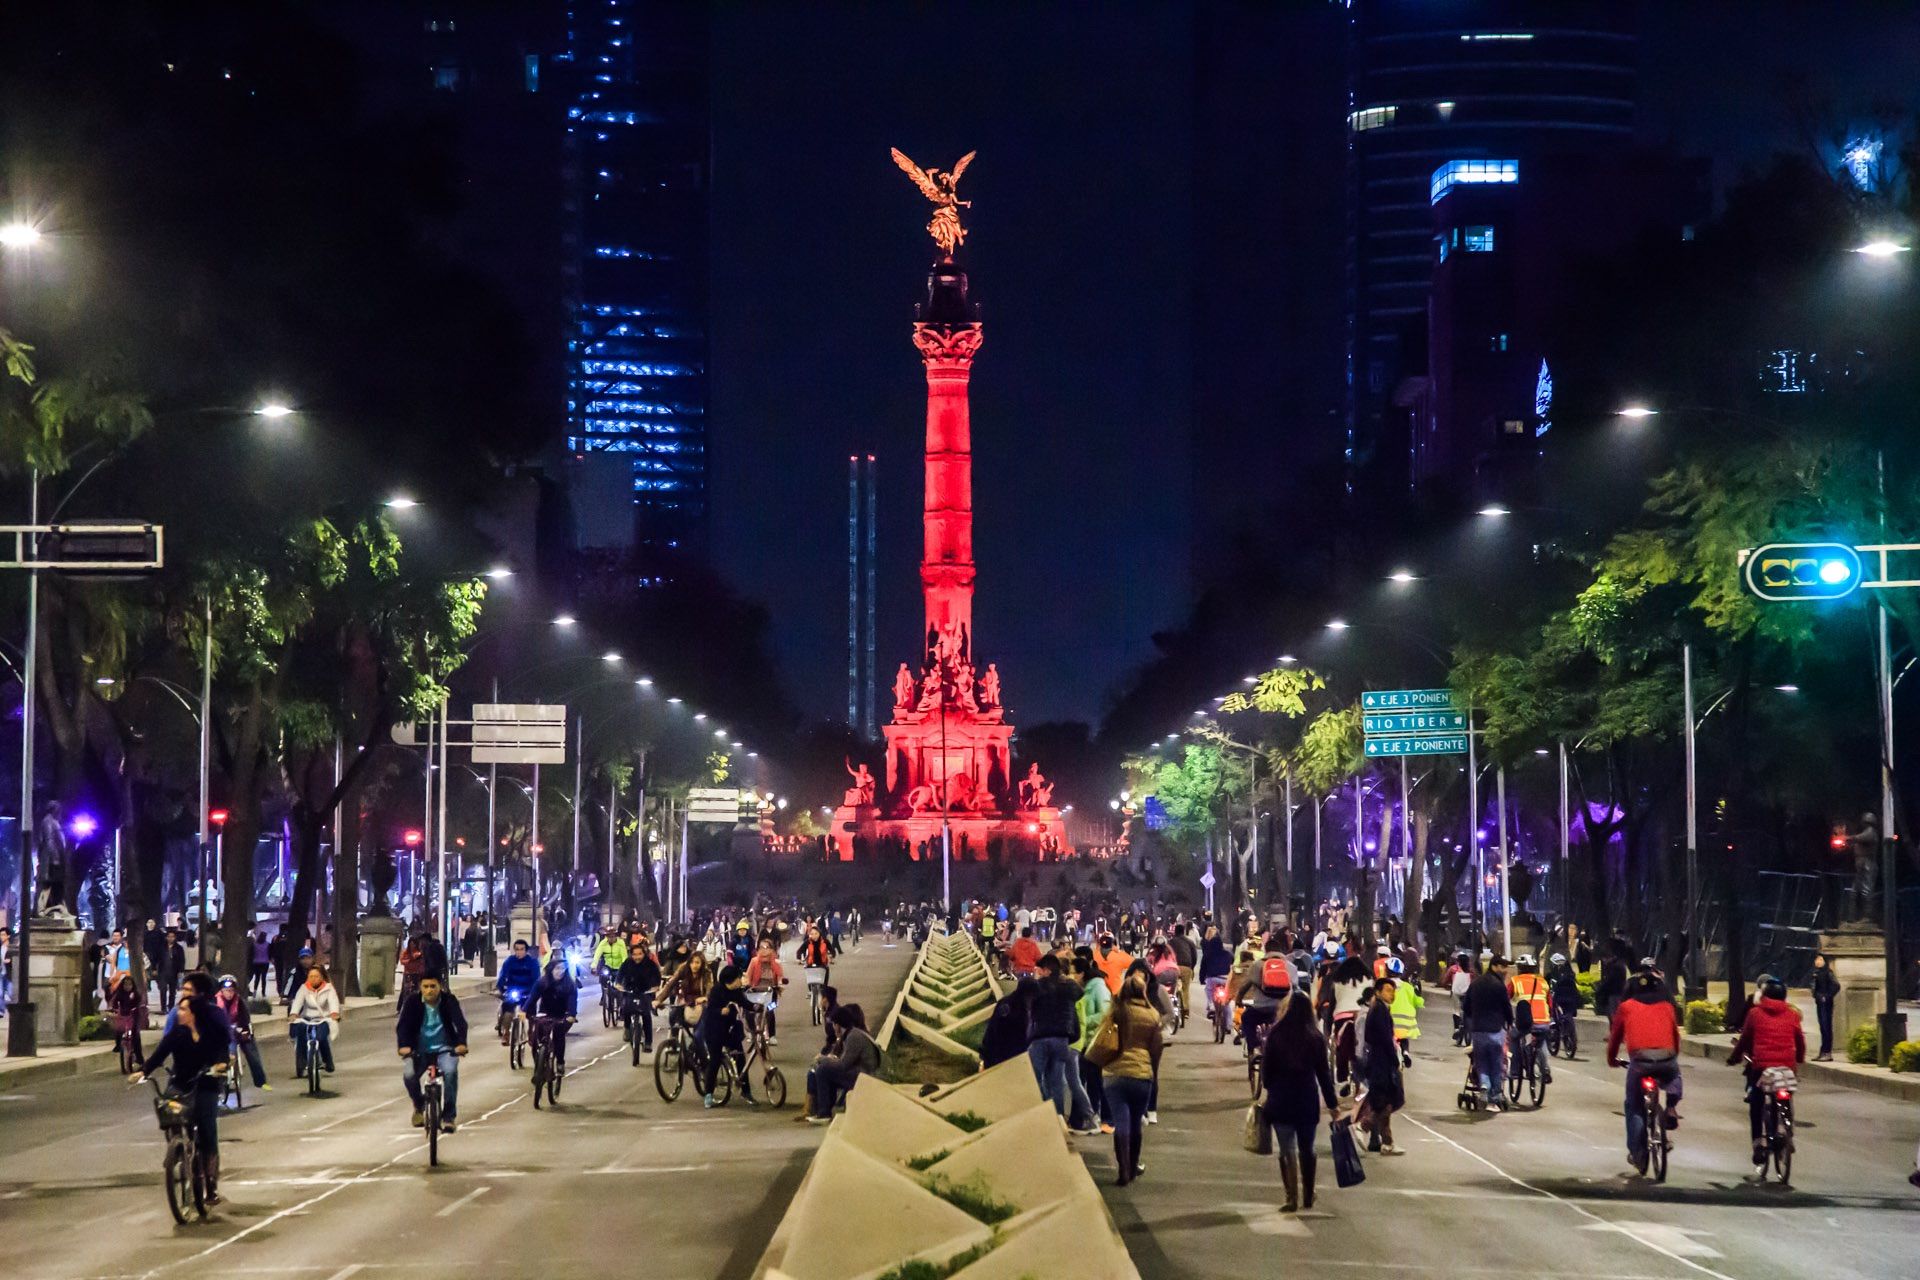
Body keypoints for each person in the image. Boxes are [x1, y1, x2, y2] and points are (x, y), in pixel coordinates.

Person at [132, 992, 231, 1205]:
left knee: (207, 1131)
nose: (180, 1013)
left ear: (194, 1013)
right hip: (180, 1083)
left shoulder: (212, 1032)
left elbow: (223, 1053)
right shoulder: (177, 1034)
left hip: (205, 1084)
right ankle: (179, 1149)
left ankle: (210, 1184)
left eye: (184, 1009)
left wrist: (221, 1065)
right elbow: (159, 1055)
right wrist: (143, 1072)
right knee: (170, 1111)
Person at [1261, 992, 1341, 1212]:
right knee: (1307, 1148)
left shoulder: (1275, 1034)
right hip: (1306, 1100)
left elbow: (1266, 1073)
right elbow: (1324, 1075)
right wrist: (1333, 1105)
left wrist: (1272, 1088)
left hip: (1281, 1100)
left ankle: (1291, 1197)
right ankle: (1308, 1194)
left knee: (1287, 1149)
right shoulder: (1315, 1037)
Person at [1606, 967, 1683, 1171]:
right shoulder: (1667, 1007)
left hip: (1639, 1062)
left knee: (1633, 1105)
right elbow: (1676, 1038)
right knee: (1675, 1073)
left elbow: (1615, 1038)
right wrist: (1672, 1054)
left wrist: (1612, 1059)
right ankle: (1672, 1106)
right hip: (1666, 1058)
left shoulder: (1626, 1007)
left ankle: (1638, 1152)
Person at [1727, 974, 1806, 1169]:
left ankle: (1758, 1144)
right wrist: (1799, 1059)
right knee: (1786, 1096)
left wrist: (1735, 1057)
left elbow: (1745, 1040)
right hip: (1787, 1066)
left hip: (1762, 1066)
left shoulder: (1755, 1014)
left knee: (1756, 1103)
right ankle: (1784, 1129)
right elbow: (1800, 1042)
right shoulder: (1792, 1014)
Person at [1098, 971, 1164, 1187]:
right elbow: (1156, 1049)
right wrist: (1152, 1072)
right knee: (1136, 1123)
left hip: (1114, 1075)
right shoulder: (1152, 1015)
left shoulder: (1116, 1011)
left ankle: (1123, 1169)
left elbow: (1103, 1035)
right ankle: (1134, 1166)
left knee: (1121, 1122)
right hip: (1141, 1075)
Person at [1028, 954, 1096, 1133]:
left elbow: (1029, 1002)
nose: (1038, 973)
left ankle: (1045, 1108)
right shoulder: (1069, 986)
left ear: (1047, 970)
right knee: (1056, 1079)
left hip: (1041, 1037)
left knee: (1036, 1077)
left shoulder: (1039, 986)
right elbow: (1079, 993)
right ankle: (1058, 1118)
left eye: (1040, 970)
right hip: (1062, 1038)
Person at [397, 974, 469, 1132]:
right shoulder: (412, 1002)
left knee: (450, 1072)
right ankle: (419, 1105)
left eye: (433, 986)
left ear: (440, 986)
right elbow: (402, 1026)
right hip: (419, 1051)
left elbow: (460, 1023)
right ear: (420, 988)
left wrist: (461, 1043)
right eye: (426, 987)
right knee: (409, 1075)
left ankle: (448, 1117)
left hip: (445, 1049)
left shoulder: (449, 1001)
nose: (429, 990)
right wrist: (404, 1046)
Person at [1354, 976, 1406, 1154]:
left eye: (1393, 991)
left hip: (1379, 1060)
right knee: (1387, 1100)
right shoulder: (1379, 1011)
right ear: (1377, 992)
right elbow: (1384, 1038)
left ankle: (1387, 1142)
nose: (1391, 994)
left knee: (1385, 1101)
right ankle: (1363, 1126)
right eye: (1388, 990)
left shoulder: (1380, 1009)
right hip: (1381, 1062)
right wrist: (1394, 1059)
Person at [803, 1003, 880, 1122]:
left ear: (838, 1025)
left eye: (834, 1024)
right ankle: (823, 1110)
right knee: (827, 1070)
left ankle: (824, 1114)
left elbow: (844, 1064)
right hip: (863, 1072)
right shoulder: (851, 1034)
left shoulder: (854, 1037)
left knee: (823, 1069)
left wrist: (824, 1059)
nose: (833, 1028)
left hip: (866, 1076)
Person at [1461, 954, 1513, 1112]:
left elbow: (1466, 1006)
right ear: (1495, 966)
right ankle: (1494, 1099)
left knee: (1481, 1061)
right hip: (1495, 1030)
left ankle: (1484, 1084)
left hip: (1478, 1030)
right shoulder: (1499, 986)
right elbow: (1506, 1007)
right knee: (1496, 1065)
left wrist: (1472, 1020)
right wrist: (1510, 1022)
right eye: (1503, 967)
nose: (1505, 970)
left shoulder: (1476, 983)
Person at [695, 963, 750, 1108]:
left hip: (730, 1029)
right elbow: (710, 1009)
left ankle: (746, 1091)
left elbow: (745, 1003)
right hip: (714, 1030)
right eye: (739, 978)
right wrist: (720, 1011)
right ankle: (708, 1095)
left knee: (740, 1057)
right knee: (715, 1060)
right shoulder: (716, 991)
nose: (741, 980)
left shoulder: (737, 991)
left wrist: (757, 1006)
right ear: (731, 980)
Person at [1073, 955, 1113, 1134]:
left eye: (1073, 972)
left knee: (1095, 1081)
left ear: (1082, 974)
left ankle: (1101, 1118)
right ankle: (1091, 1116)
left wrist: (1081, 1020)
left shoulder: (1098, 988)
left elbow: (1104, 1014)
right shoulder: (1086, 989)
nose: (1071, 976)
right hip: (1086, 1042)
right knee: (1089, 1080)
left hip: (1096, 1042)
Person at [215, 976, 268, 1091]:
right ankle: (220, 1083)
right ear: (221, 991)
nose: (229, 993)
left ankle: (260, 1081)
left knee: (252, 1052)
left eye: (231, 990)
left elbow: (245, 1019)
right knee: (226, 1054)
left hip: (238, 1030)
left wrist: (245, 1031)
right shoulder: (215, 1002)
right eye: (226, 990)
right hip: (224, 1033)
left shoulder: (239, 1002)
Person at [1507, 953, 1554, 1084]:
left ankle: (1515, 1071)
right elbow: (1550, 1003)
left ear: (1520, 968)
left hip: (1526, 1022)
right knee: (1542, 1040)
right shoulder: (1542, 982)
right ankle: (1545, 1069)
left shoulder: (1515, 981)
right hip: (1544, 1021)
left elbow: (1504, 1000)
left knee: (1513, 1037)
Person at [288, 964, 342, 1077]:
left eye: (316, 976)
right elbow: (298, 1001)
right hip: (307, 1018)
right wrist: (294, 1014)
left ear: (322, 977)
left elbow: (333, 1002)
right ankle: (301, 1063)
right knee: (301, 1035)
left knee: (321, 1038)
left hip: (323, 1019)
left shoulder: (329, 988)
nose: (313, 978)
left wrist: (334, 1013)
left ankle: (328, 1061)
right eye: (311, 976)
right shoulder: (304, 988)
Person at [530, 955, 579, 1075]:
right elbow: (532, 998)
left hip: (561, 1014)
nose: (560, 971)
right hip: (545, 1012)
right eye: (557, 969)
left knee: (559, 1036)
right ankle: (539, 1064)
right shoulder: (542, 982)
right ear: (551, 970)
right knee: (537, 1037)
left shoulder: (570, 985)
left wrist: (571, 1015)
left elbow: (572, 1002)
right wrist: (524, 1011)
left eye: (562, 969)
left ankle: (560, 1062)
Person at [617, 936, 663, 1053]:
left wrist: (655, 986)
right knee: (626, 1008)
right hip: (630, 990)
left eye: (640, 954)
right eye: (635, 954)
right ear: (631, 955)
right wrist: (618, 984)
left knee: (646, 1015)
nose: (637, 957)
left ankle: (648, 1042)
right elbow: (620, 974)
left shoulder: (650, 964)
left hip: (646, 991)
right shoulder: (627, 963)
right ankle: (627, 1028)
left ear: (644, 954)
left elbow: (656, 976)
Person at [980, 978, 1035, 1068]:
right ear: (1027, 994)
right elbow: (1013, 1035)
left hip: (995, 1053)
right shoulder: (1015, 1009)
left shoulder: (1008, 1003)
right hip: (1001, 1056)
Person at [496, 938, 541, 1041]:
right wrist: (500, 988)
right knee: (507, 1010)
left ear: (526, 950)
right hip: (513, 991)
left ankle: (531, 1031)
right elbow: (503, 975)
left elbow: (536, 979)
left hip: (527, 991)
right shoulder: (510, 961)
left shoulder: (532, 962)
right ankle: (506, 1033)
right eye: (517, 949)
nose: (519, 952)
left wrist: (534, 992)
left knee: (531, 1013)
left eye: (522, 949)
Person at [746, 935, 786, 1044]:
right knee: (749, 1011)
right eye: (761, 947)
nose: (764, 950)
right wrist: (747, 985)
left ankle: (772, 1035)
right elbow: (748, 977)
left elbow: (780, 978)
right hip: (755, 992)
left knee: (771, 1011)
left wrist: (780, 985)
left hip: (771, 992)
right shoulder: (754, 961)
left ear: (772, 949)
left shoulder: (776, 963)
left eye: (767, 947)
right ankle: (752, 1032)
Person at [104, 970, 147, 1067]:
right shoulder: (120, 993)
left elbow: (139, 1002)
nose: (127, 987)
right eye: (125, 985)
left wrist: (140, 1008)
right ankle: (119, 1046)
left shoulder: (135, 994)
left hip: (134, 1015)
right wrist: (113, 1009)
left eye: (129, 985)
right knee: (119, 1030)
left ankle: (139, 1059)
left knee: (136, 1036)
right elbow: (113, 1001)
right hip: (123, 1015)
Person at [1387, 958, 1423, 1067]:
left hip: (1388, 1023)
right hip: (1405, 1025)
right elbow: (1418, 1001)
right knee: (1404, 1038)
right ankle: (1405, 1052)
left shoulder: (1383, 986)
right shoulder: (1408, 987)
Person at [1810, 953, 1839, 1061]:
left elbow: (1836, 985)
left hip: (1826, 1002)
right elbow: (1814, 987)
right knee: (1822, 1027)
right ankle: (1823, 1051)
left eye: (1820, 959)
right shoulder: (1815, 973)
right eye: (1816, 959)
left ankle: (1827, 1052)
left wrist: (1826, 996)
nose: (1818, 961)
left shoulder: (1828, 973)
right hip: (1819, 1001)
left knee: (1826, 1027)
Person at [156, 928, 187, 1012]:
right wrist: (155, 969)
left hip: (174, 972)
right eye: (169, 936)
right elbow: (157, 959)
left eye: (172, 936)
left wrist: (181, 971)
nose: (171, 938)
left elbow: (182, 960)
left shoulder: (179, 948)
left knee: (172, 991)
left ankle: (171, 1007)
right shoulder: (161, 947)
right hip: (163, 971)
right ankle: (163, 1008)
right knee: (163, 990)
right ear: (166, 937)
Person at [248, 931, 271, 999]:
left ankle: (255, 991)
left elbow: (251, 953)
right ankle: (263, 993)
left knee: (257, 978)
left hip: (256, 962)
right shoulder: (267, 944)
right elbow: (269, 953)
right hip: (265, 962)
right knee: (263, 978)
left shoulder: (254, 944)